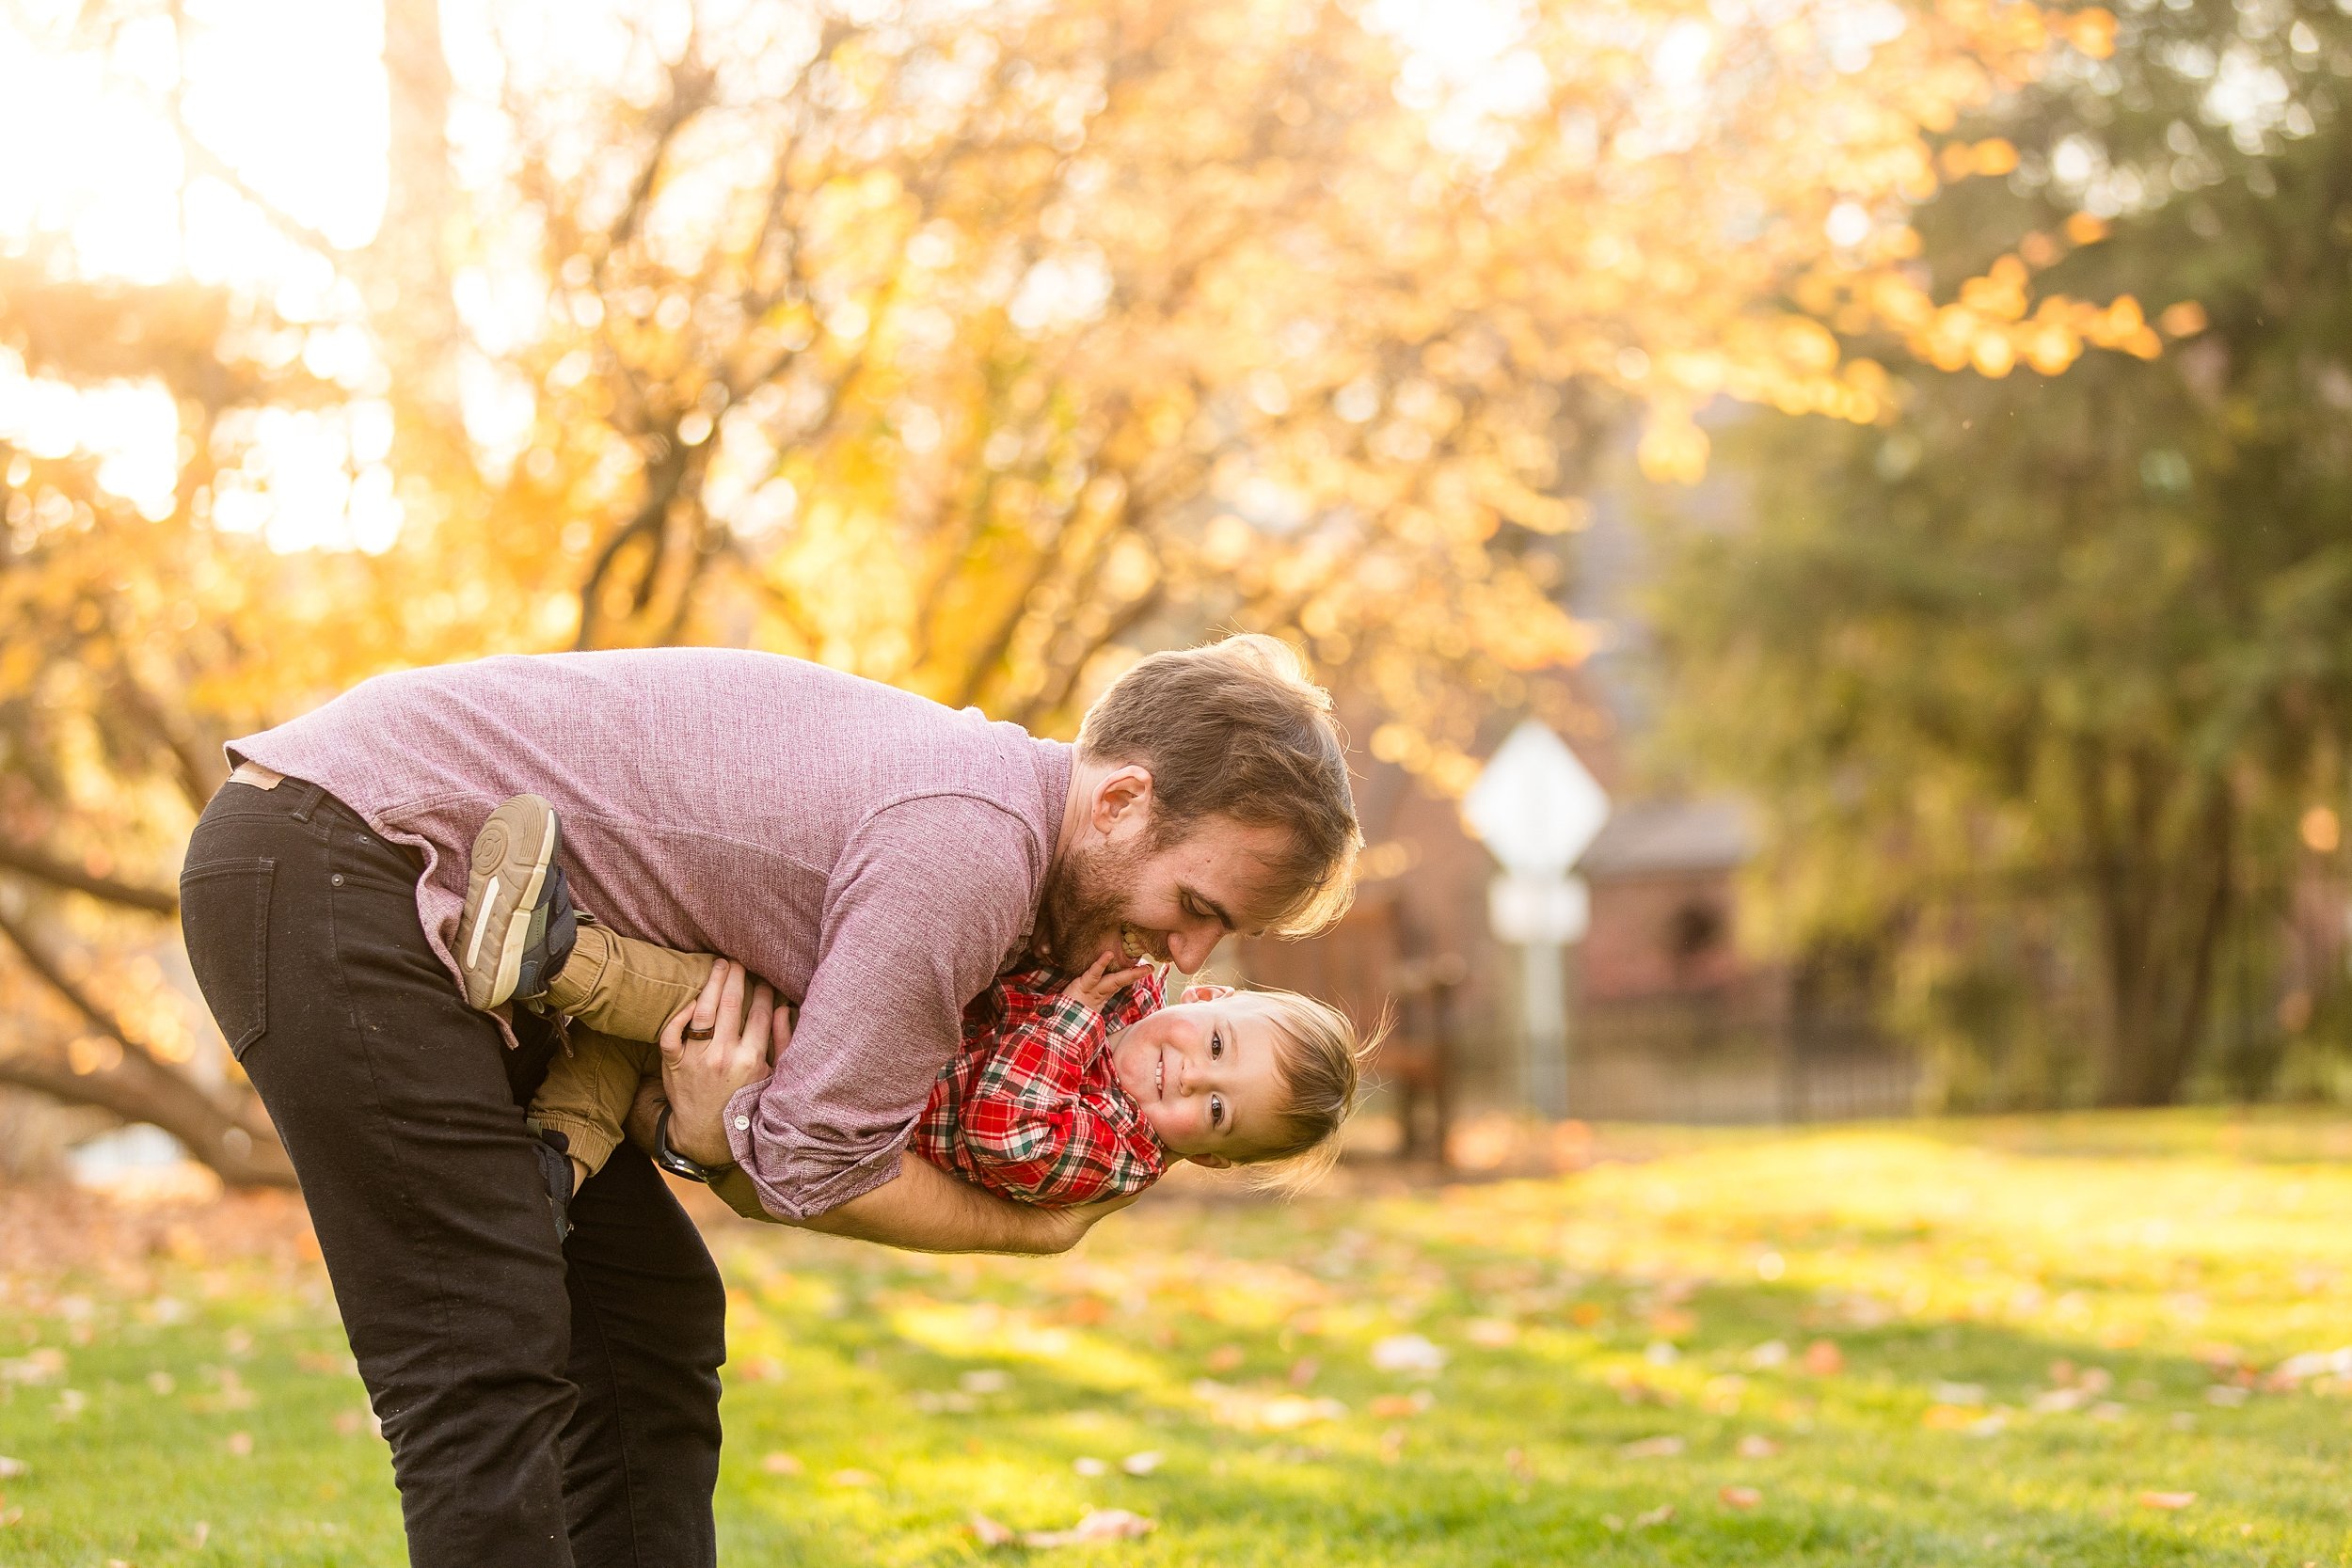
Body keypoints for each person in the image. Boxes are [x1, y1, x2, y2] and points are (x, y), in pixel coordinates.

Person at [175, 635, 1358, 1568]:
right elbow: (803, 1166)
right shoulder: (969, 854)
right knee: (482, 1336)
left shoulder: (1015, 850)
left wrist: (710, 1124)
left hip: (397, 879)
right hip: (347, 857)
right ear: (1119, 801)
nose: (1192, 951)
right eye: (1196, 901)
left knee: (643, 1312)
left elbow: (772, 1141)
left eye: (1220, 930)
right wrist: (1029, 1227)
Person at [448, 795, 1367, 1219]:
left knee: (700, 994)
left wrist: (1072, 1020)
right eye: (1214, 1043)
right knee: (625, 1056)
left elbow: (1007, 1126)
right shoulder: (1124, 985)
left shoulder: (1114, 1155)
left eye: (1213, 1106)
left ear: (1203, 1154)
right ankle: (555, 1166)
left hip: (817, 1081)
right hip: (845, 1013)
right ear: (1207, 997)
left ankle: (554, 956)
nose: (1187, 1069)